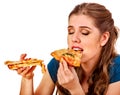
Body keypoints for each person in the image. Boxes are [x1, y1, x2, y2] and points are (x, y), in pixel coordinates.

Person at [16, 2, 120, 95]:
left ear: (103, 38)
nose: (74, 38)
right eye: (71, 31)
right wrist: (27, 78)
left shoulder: (117, 68)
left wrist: (74, 89)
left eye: (85, 33)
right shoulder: (59, 63)